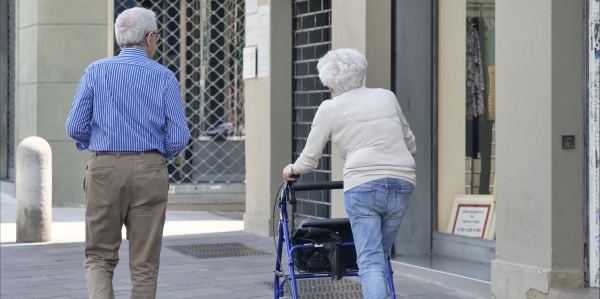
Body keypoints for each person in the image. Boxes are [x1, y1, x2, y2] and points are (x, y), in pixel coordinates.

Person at [65, 7, 190, 299]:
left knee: (98, 256)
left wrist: (98, 147)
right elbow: (180, 135)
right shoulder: (165, 77)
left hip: (105, 169)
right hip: (150, 170)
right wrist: (157, 158)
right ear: (150, 38)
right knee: (145, 263)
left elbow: (74, 126)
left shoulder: (96, 70)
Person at [282, 48, 417, 299]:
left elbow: (310, 159)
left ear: (331, 86)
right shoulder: (386, 96)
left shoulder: (329, 107)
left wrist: (292, 169)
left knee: (370, 260)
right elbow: (411, 144)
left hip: (363, 184)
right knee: (380, 256)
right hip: (402, 182)